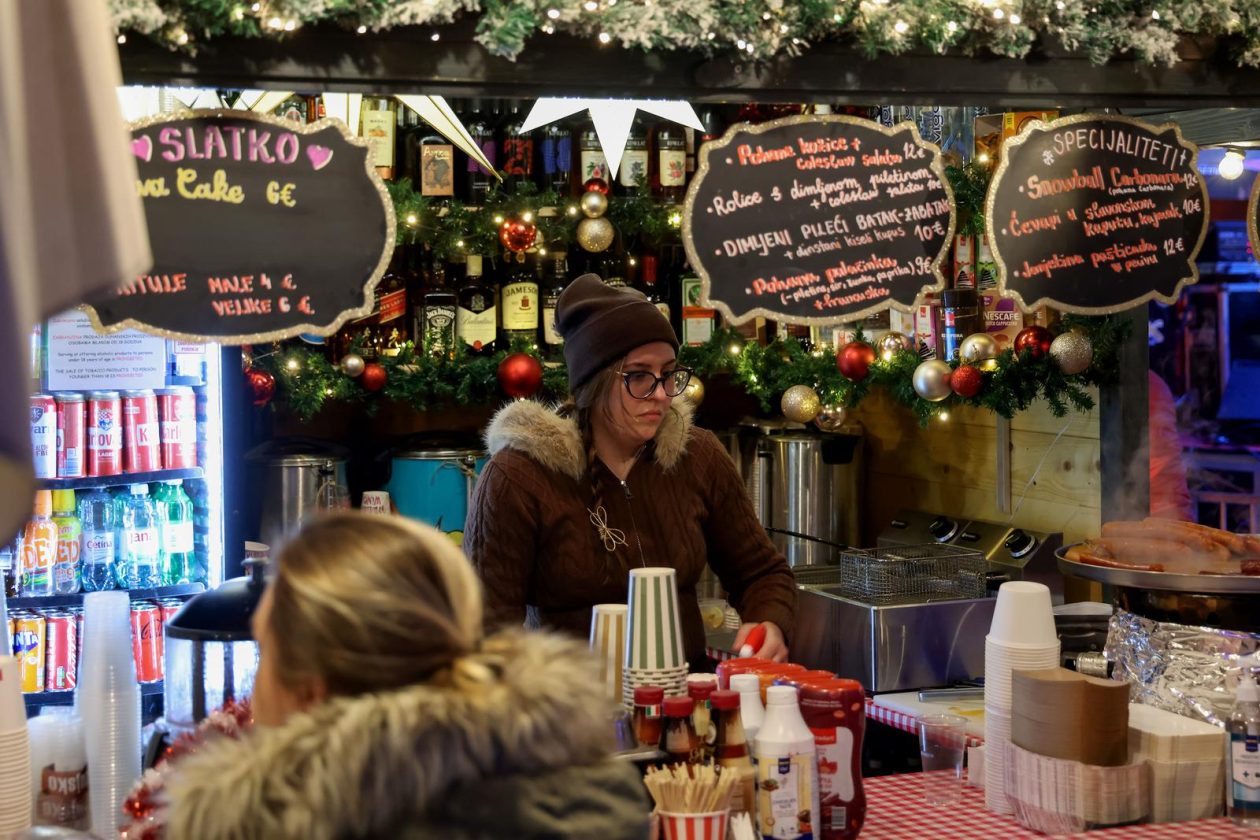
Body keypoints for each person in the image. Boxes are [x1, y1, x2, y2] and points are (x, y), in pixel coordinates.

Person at [158, 513, 651, 839]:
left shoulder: (286, 823)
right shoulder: (591, 794)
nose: (253, 685)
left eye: (265, 651)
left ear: (312, 689)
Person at [466, 273, 796, 669]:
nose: (660, 393)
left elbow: (760, 572)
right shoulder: (519, 476)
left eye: (668, 373)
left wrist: (768, 621)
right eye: (638, 375)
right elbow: (486, 632)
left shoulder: (697, 455)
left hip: (685, 705)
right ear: (594, 383)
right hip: (574, 713)